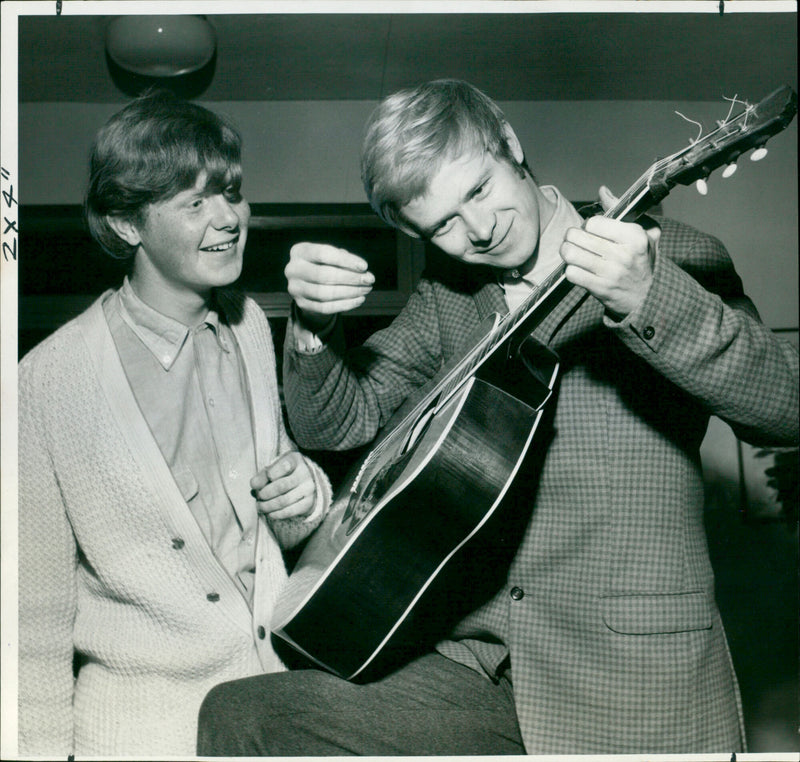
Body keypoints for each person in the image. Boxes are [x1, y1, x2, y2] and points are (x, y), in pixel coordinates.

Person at [197, 79, 799, 755]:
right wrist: (310, 325)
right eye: (444, 224)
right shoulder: (448, 298)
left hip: (631, 676)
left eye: (479, 190)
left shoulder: (671, 253)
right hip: (473, 669)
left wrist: (646, 295)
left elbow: (786, 409)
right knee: (247, 716)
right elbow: (338, 422)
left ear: (509, 144)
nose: (478, 231)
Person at [17, 89, 332, 757]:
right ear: (128, 225)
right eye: (195, 203)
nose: (229, 219)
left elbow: (278, 530)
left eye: (231, 192)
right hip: (140, 733)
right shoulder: (45, 382)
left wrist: (308, 491)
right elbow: (31, 623)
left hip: (277, 708)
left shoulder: (249, 326)